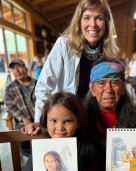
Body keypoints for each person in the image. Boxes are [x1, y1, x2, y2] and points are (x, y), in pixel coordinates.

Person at [22, 0, 119, 136]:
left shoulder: (107, 52)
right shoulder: (64, 44)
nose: (93, 24)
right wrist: (39, 120)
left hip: (94, 117)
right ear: (79, 22)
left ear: (107, 23)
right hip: (67, 118)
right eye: (86, 18)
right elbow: (44, 85)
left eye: (99, 18)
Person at [17, 92, 101, 171]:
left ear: (78, 122)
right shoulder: (41, 149)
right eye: (53, 120)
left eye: (68, 121)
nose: (60, 127)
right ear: (45, 122)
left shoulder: (88, 148)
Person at [5, 58, 37, 157]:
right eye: (13, 68)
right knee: (19, 135)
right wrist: (24, 119)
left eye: (19, 66)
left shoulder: (37, 83)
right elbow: (10, 107)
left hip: (40, 119)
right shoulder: (10, 88)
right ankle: (31, 159)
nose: (16, 70)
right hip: (23, 121)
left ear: (25, 69)